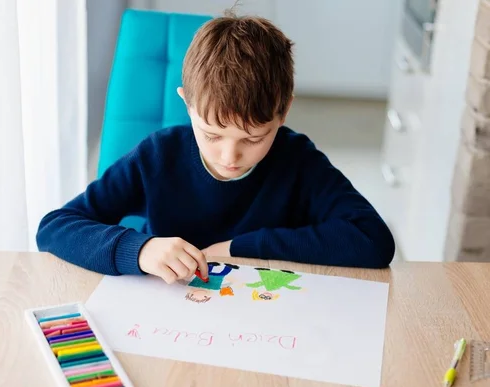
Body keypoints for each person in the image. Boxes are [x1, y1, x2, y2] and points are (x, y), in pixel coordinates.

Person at [36, 9, 395, 284]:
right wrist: (140, 249)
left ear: (283, 112)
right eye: (211, 135)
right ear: (187, 105)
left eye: (253, 139)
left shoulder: (298, 161)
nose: (229, 157)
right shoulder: (158, 157)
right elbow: (54, 227)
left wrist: (238, 248)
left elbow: (373, 240)